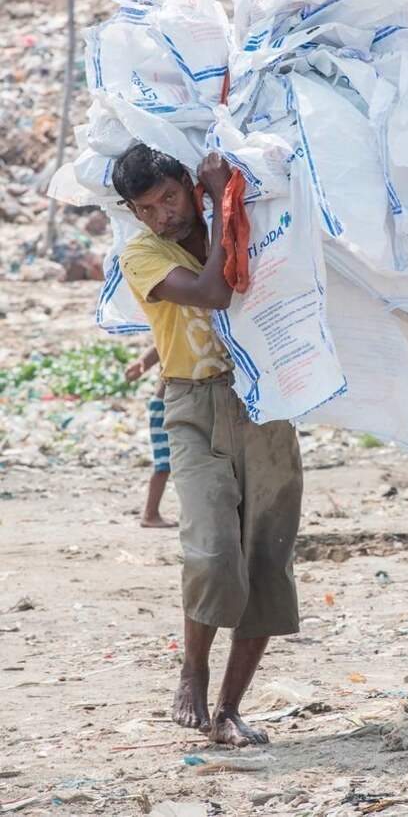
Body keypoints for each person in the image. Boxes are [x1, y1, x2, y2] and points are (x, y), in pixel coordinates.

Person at [114, 143, 303, 747]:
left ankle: (228, 710)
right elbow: (214, 292)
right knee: (212, 550)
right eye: (146, 208)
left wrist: (226, 203)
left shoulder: (256, 226)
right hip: (192, 405)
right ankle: (192, 671)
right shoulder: (143, 252)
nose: (161, 215)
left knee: (267, 561)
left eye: (169, 197)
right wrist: (222, 206)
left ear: (184, 184)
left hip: (265, 405)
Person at [124, 346, 178, 529]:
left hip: (174, 404)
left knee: (180, 463)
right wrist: (141, 364)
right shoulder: (173, 332)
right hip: (164, 406)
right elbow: (158, 347)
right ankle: (150, 513)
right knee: (163, 464)